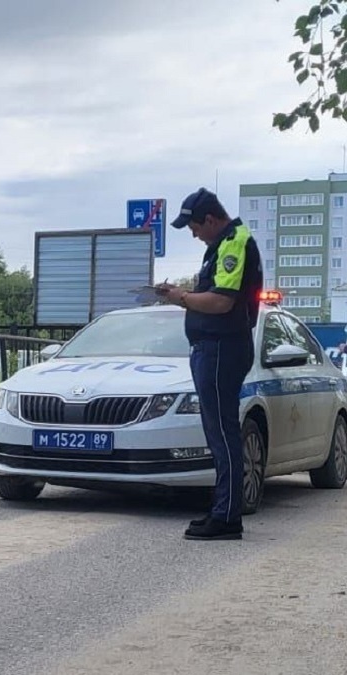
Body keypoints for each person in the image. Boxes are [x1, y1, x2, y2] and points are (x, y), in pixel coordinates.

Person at [156, 187, 263, 541]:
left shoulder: (233, 242)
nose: (193, 233)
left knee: (222, 434)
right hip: (215, 349)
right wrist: (180, 294)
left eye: (195, 226)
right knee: (218, 433)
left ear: (212, 219)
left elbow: (221, 302)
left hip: (222, 348)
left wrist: (181, 298)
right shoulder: (221, 245)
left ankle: (227, 517)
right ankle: (222, 511)